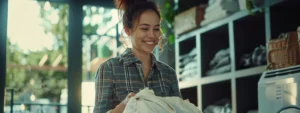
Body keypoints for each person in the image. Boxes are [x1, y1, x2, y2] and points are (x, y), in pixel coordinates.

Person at [93, 0, 181, 113]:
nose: (152, 35)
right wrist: (125, 104)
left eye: (156, 29)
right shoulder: (109, 69)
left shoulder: (168, 73)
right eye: (144, 28)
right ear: (128, 30)